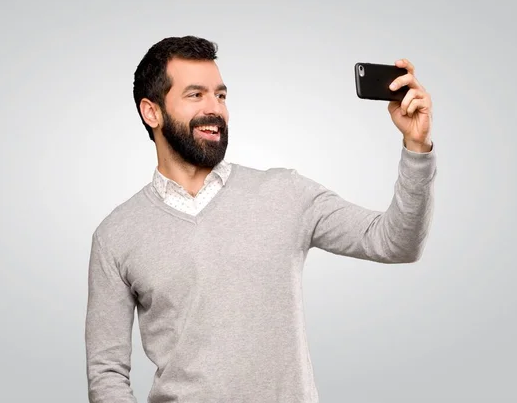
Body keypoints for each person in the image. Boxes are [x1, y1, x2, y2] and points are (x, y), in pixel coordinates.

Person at [84, 35, 436, 403]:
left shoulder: (285, 192)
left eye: (220, 95)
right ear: (151, 112)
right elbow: (107, 371)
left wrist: (417, 147)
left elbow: (397, 243)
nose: (214, 108)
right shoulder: (116, 235)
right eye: (195, 95)